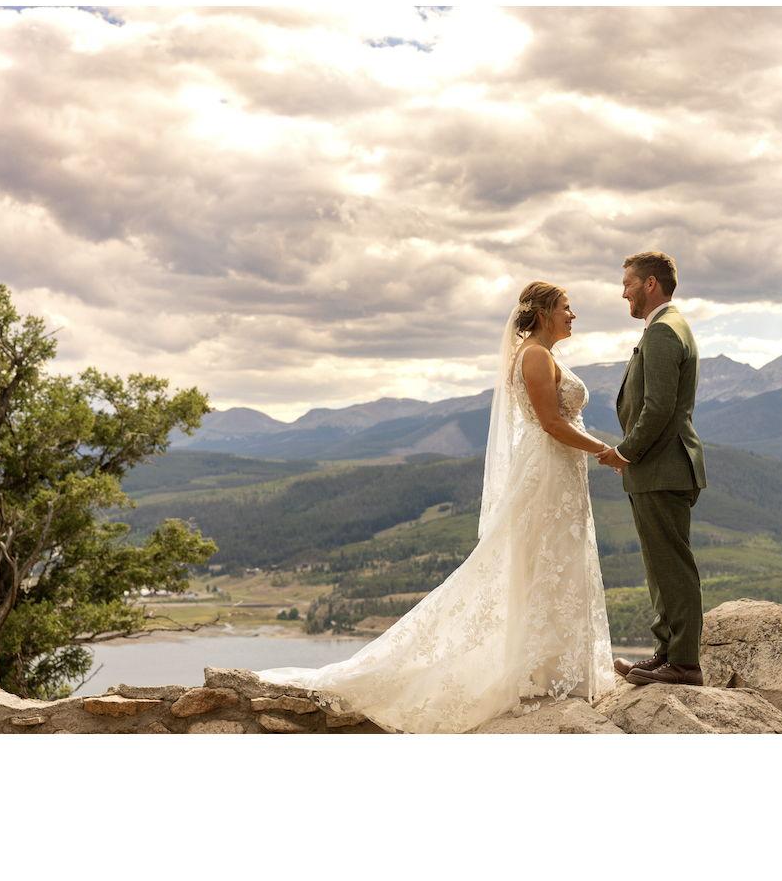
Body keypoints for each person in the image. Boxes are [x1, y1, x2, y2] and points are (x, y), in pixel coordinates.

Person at [254, 281, 615, 733]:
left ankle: (557, 667)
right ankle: (543, 670)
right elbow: (550, 423)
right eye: (566, 307)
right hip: (547, 473)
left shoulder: (542, 355)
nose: (573, 315)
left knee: (557, 562)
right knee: (546, 561)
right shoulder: (536, 356)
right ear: (543, 314)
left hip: (561, 475)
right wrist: (607, 452)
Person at [597, 251, 707, 687]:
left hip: (663, 468)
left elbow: (658, 408)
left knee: (672, 567)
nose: (623, 291)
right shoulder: (666, 327)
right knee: (661, 565)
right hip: (661, 469)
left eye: (627, 283)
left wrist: (625, 452)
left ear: (650, 284)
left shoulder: (663, 331)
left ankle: (683, 664)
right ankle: (667, 652)